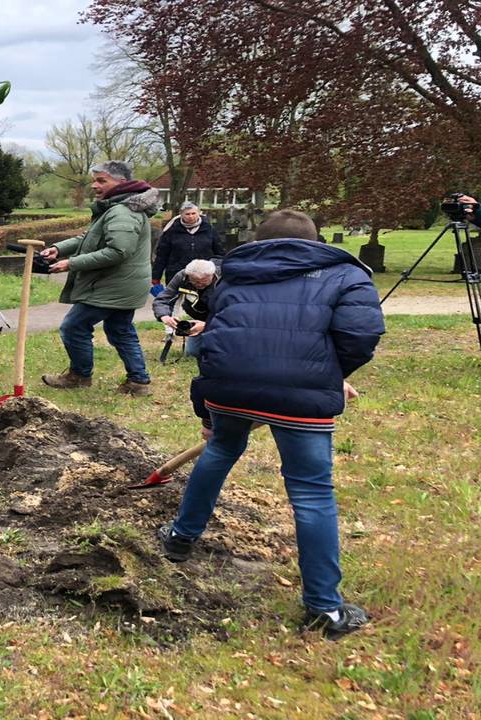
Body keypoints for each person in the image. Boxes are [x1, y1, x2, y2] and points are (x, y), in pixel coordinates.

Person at [155, 209, 384, 640]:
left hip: (229, 386)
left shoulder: (235, 274)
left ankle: (179, 539)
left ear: (260, 240)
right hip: (299, 396)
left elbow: (219, 332)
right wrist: (331, 374)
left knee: (221, 450)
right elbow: (361, 336)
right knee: (311, 490)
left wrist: (211, 402)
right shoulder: (346, 275)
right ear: (315, 240)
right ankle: (325, 608)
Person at [39, 160, 160, 395]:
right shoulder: (118, 208)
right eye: (94, 180)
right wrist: (59, 249)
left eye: (101, 180)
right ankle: (138, 382)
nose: (94, 185)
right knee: (120, 329)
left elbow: (117, 251)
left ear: (122, 183)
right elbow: (89, 238)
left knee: (74, 327)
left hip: (113, 284)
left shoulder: (123, 212)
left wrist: (71, 263)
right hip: (124, 284)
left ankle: (79, 376)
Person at [152, 258, 221, 357]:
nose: (199, 284)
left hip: (223, 319)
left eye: (204, 281)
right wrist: (164, 316)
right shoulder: (182, 276)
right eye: (195, 281)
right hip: (199, 317)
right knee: (193, 353)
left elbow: (233, 311)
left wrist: (208, 325)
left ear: (212, 275)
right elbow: (162, 299)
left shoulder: (225, 278)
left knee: (219, 353)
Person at [152, 201, 224, 286]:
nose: (191, 216)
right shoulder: (171, 231)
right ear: (181, 214)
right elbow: (162, 255)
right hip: (177, 275)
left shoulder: (209, 229)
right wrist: (156, 276)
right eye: (187, 214)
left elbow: (220, 252)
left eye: (193, 213)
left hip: (203, 276)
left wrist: (220, 271)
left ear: (199, 213)